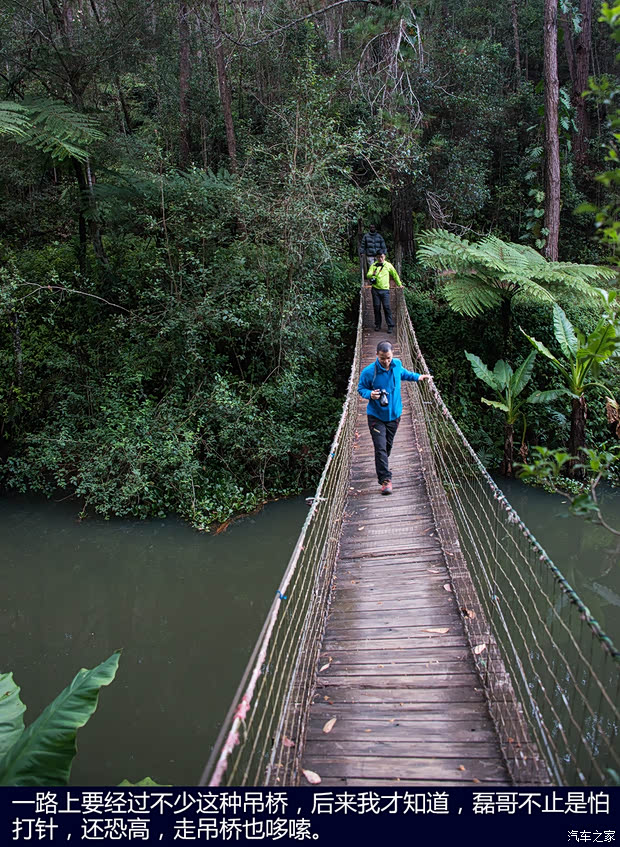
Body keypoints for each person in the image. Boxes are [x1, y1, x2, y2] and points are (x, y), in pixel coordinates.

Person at [357, 340, 432, 495]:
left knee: (387, 447)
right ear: (377, 355)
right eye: (383, 358)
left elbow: (404, 374)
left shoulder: (396, 364)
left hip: (395, 415)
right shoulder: (369, 372)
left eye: (389, 358)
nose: (386, 361)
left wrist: (418, 377)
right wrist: (370, 394)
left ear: (393, 355)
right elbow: (361, 388)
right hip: (376, 416)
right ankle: (385, 480)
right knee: (380, 447)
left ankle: (382, 463)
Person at [366, 252, 402, 334]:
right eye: (378, 257)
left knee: (387, 307)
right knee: (376, 308)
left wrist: (399, 284)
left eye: (381, 257)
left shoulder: (388, 265)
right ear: (376, 257)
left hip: (385, 290)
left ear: (384, 256)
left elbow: (395, 274)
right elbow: (368, 275)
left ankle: (390, 326)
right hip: (375, 290)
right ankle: (378, 325)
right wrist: (372, 274)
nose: (380, 259)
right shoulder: (374, 265)